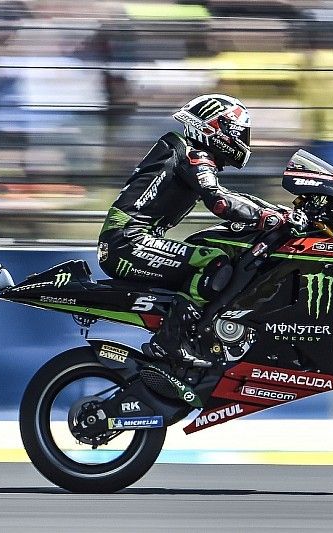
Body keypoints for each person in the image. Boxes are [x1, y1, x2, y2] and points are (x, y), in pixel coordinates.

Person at [97, 94, 287, 368]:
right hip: (127, 242)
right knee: (212, 260)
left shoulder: (187, 153)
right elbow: (220, 201)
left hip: (128, 241)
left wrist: (276, 211)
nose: (243, 141)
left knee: (214, 252)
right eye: (239, 133)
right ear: (217, 128)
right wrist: (267, 218)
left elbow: (227, 194)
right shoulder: (192, 154)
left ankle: (193, 336)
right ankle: (170, 342)